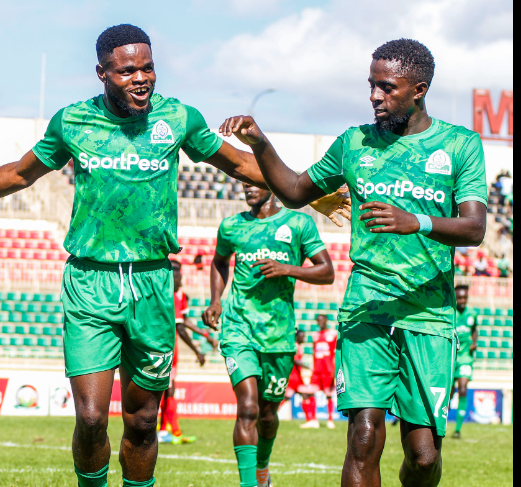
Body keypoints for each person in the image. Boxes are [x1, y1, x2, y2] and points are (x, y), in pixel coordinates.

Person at [0, 24, 348, 487]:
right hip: (91, 282)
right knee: (90, 417)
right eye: (127, 70)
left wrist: (307, 192)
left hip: (152, 284)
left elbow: (239, 163)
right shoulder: (72, 122)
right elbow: (19, 174)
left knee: (144, 420)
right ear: (102, 73)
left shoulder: (178, 118)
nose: (141, 77)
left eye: (148, 67)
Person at [219, 38, 487, 487]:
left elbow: (474, 228)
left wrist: (415, 221)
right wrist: (261, 143)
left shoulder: (460, 145)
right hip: (366, 308)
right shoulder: (354, 143)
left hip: (429, 314)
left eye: (387, 87)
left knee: (422, 458)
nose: (374, 97)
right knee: (363, 436)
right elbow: (294, 191)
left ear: (418, 89)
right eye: (371, 85)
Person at [203, 183, 335, 487]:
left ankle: (262, 466)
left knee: (266, 414)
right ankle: (249, 484)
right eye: (244, 182)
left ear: (272, 186)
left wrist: (287, 269)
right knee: (247, 407)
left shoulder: (298, 223)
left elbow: (327, 272)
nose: (248, 187)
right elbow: (219, 261)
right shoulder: (231, 226)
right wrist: (215, 299)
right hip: (238, 328)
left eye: (255, 182)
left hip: (279, 335)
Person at [158, 260, 218, 445]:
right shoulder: (168, 294)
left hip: (170, 351)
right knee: (168, 390)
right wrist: (197, 350)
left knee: (167, 390)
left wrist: (204, 334)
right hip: (164, 350)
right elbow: (181, 328)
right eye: (179, 276)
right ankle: (173, 431)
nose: (182, 280)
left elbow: (183, 321)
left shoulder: (179, 295)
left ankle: (163, 431)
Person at [450, 285, 478, 439]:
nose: (462, 300)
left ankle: (458, 430)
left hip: (466, 358)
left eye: (465, 297)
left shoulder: (472, 314)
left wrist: (474, 343)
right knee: (448, 394)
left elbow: (474, 330)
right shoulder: (450, 313)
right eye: (459, 297)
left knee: (462, 389)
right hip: (451, 358)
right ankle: (443, 427)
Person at [301, 314, 338, 430]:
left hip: (327, 370)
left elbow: (336, 353)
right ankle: (313, 420)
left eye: (321, 320)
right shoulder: (315, 335)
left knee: (328, 394)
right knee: (310, 393)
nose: (320, 322)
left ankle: (330, 419)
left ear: (326, 320)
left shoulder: (332, 334)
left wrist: (334, 370)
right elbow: (313, 352)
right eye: (318, 321)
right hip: (316, 370)